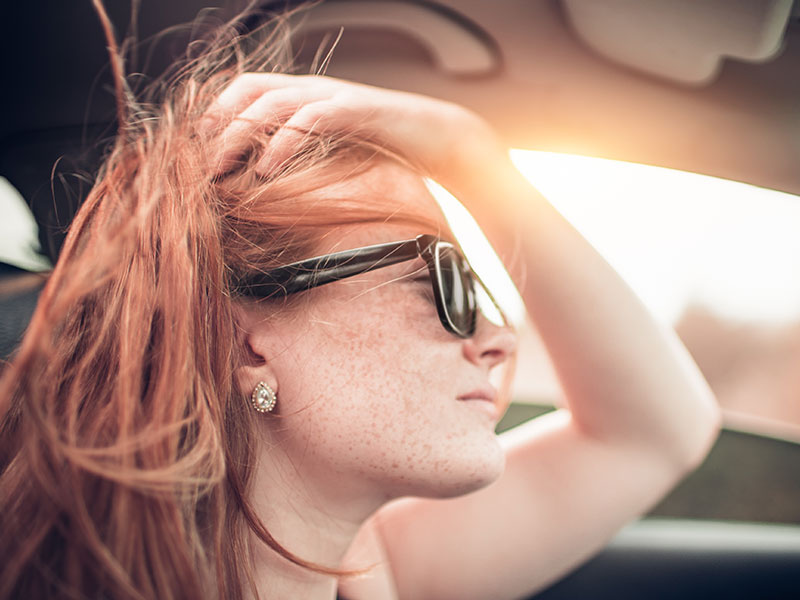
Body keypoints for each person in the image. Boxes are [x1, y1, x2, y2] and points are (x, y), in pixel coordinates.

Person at [0, 4, 720, 599]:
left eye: (471, 289)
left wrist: (474, 154)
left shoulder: (368, 573)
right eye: (437, 276)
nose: (498, 339)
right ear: (246, 342)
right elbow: (649, 436)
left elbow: (659, 431)